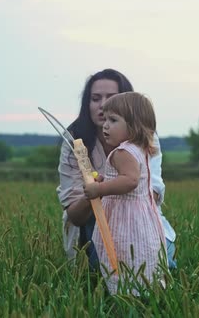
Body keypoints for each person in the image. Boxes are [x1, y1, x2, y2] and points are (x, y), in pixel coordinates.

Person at [56, 69, 177, 271]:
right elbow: (75, 216)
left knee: (160, 264)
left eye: (111, 98)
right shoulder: (74, 142)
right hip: (95, 223)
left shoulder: (145, 139)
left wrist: (107, 190)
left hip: (141, 220)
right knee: (110, 269)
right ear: (87, 104)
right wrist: (93, 193)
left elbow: (152, 192)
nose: (102, 105)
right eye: (95, 98)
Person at [83, 92, 166, 294]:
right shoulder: (140, 149)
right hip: (140, 216)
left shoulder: (123, 152)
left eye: (113, 120)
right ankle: (146, 290)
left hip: (125, 218)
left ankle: (125, 293)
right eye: (105, 119)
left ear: (134, 125)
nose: (105, 125)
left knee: (121, 255)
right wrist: (106, 181)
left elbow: (129, 180)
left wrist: (99, 189)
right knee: (140, 254)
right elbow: (127, 180)